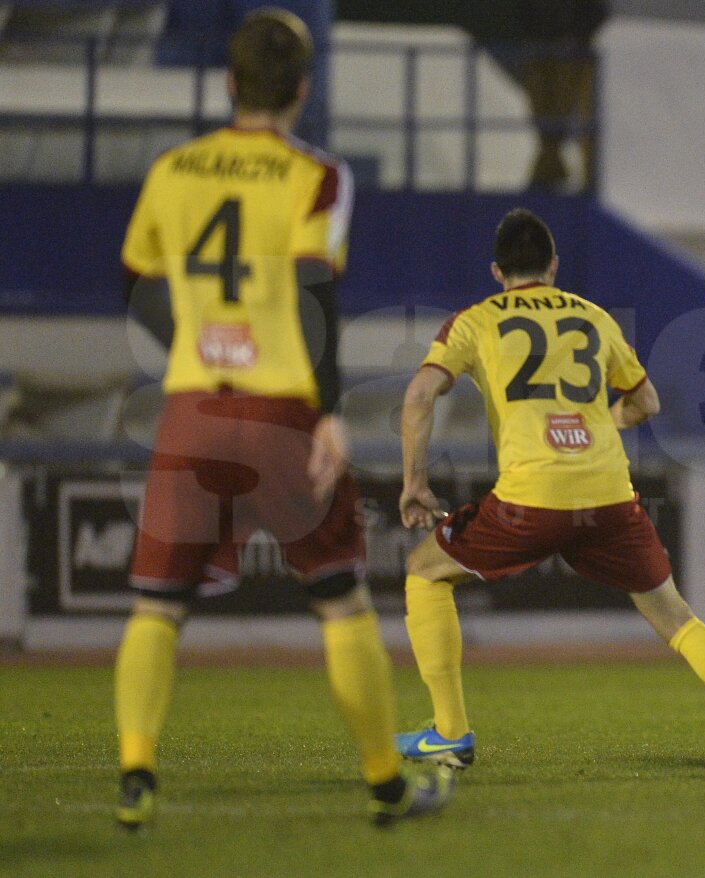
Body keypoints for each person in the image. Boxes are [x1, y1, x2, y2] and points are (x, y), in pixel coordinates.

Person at [113, 7, 452, 829]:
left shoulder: (173, 168)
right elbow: (314, 290)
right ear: (304, 88)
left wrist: (194, 348)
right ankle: (384, 786)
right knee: (340, 603)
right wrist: (329, 411)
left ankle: (136, 774)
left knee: (158, 607)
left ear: (229, 83)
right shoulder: (319, 176)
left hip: (192, 407)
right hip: (281, 415)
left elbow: (136, 284)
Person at [396, 207, 705, 775]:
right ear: (554, 265)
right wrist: (592, 426)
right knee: (675, 616)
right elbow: (646, 403)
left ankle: (450, 733)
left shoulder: (475, 320)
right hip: (610, 494)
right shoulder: (594, 318)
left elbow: (418, 396)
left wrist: (414, 481)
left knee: (424, 570)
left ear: (497, 271)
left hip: (530, 496)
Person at [514, 0, 607, 191]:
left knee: (572, 114)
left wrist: (577, 36)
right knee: (544, 116)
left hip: (572, 54)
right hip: (542, 50)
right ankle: (549, 168)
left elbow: (596, 12)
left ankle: (563, 171)